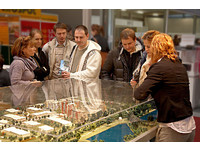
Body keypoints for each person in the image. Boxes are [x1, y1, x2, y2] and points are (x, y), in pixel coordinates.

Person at [134, 33, 196, 142]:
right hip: (189, 123)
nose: (146, 50)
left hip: (173, 128)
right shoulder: (178, 64)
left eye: (149, 47)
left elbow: (139, 94)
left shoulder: (159, 67)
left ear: (155, 48)